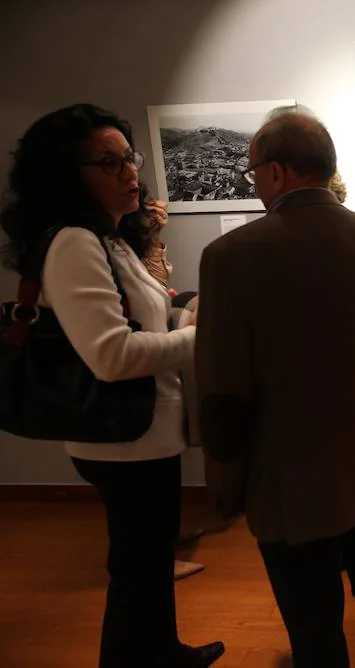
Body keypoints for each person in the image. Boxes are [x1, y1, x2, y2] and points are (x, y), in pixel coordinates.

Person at [0, 103, 224, 666]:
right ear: (67, 175)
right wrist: (206, 338)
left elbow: (142, 322)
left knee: (147, 564)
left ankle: (163, 651)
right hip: (123, 436)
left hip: (143, 434)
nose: (129, 172)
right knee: (136, 569)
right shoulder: (75, 242)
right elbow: (113, 356)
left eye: (129, 157)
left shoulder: (111, 237)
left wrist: (182, 318)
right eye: (109, 162)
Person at [195, 111, 355, 668]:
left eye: (253, 174)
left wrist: (225, 484)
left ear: (275, 172)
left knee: (314, 631)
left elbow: (224, 389)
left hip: (289, 480)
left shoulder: (229, 257)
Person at [119, 190, 206, 581]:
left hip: (153, 404)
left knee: (160, 489)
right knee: (142, 499)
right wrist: (193, 334)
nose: (165, 262)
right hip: (133, 410)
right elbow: (121, 349)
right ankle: (158, 555)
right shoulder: (114, 255)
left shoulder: (127, 254)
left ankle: (165, 541)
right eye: (157, 252)